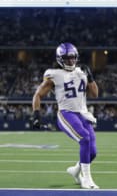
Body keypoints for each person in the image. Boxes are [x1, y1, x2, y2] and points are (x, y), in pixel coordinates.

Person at [32, 43, 99, 189]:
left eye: (73, 58)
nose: (71, 61)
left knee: (93, 152)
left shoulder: (82, 72)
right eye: (67, 58)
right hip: (66, 113)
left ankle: (75, 170)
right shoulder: (54, 75)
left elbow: (95, 94)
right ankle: (86, 179)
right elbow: (38, 94)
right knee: (84, 138)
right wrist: (36, 114)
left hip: (83, 114)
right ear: (60, 59)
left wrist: (91, 77)